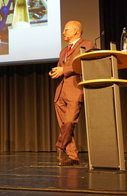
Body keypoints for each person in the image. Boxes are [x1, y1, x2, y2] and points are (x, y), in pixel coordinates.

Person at [49, 21, 93, 166]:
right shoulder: (63, 51)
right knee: (63, 125)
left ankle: (60, 147)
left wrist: (64, 70)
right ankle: (73, 156)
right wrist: (57, 71)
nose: (63, 33)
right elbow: (61, 67)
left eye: (66, 30)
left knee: (69, 122)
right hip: (61, 91)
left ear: (75, 31)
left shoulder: (87, 44)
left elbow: (81, 63)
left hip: (75, 89)